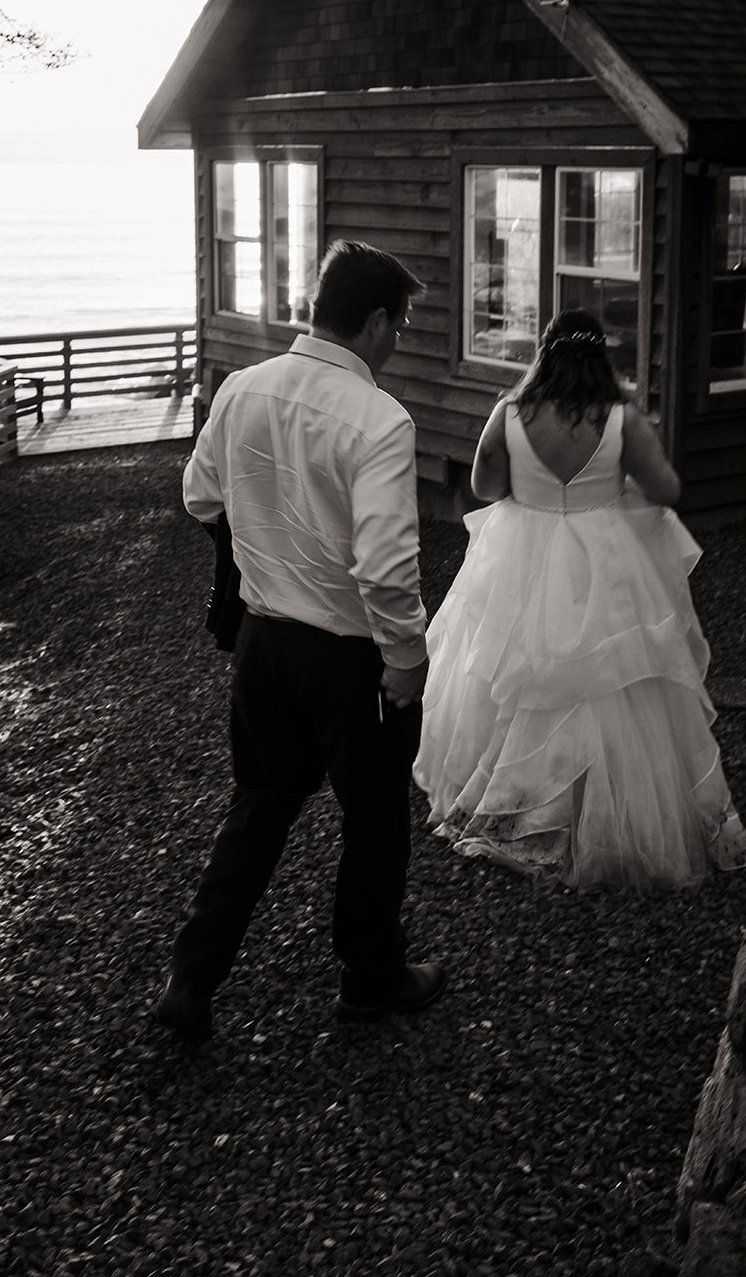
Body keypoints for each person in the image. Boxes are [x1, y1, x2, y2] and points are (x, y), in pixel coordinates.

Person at [157, 241, 447, 1039]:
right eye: (402, 323)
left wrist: (262, 544)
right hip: (350, 660)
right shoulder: (379, 418)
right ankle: (370, 976)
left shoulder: (243, 388)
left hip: (262, 645)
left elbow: (198, 497)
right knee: (376, 816)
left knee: (259, 805)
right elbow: (386, 566)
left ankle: (191, 979)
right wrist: (406, 659)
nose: (399, 340)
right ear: (376, 320)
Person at [414, 309, 746, 893]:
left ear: (544, 355)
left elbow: (484, 488)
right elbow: (668, 490)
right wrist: (613, 480)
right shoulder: (622, 419)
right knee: (615, 681)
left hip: (523, 556)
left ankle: (516, 806)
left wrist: (535, 483)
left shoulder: (510, 413)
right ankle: (609, 811)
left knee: (516, 674)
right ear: (602, 357)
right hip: (607, 559)